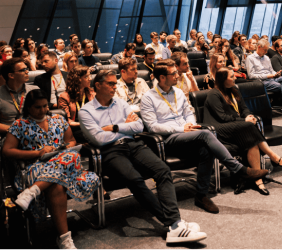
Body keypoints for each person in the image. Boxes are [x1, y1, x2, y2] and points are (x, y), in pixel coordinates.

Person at [79, 70, 207, 243]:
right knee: (135, 179)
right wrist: (126, 125)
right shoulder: (86, 112)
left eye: (115, 83)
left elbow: (139, 126)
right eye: (110, 84)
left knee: (162, 170)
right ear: (98, 85)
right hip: (109, 152)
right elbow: (99, 139)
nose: (114, 87)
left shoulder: (120, 102)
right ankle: (174, 223)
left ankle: (174, 224)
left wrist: (116, 127)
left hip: (133, 144)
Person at [141, 61, 269, 211]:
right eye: (173, 73)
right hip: (167, 139)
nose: (177, 75)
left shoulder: (178, 92)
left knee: (206, 150)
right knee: (206, 134)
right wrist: (181, 129)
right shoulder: (148, 98)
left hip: (188, 134)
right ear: (162, 77)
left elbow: (189, 113)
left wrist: (190, 124)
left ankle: (201, 196)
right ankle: (239, 169)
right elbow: (152, 126)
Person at [2, 89, 100, 249]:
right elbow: (7, 150)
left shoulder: (58, 119)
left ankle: (32, 192)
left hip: (63, 164)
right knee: (61, 176)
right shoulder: (19, 124)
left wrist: (61, 149)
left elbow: (71, 141)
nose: (42, 110)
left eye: (45, 106)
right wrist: (38, 152)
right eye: (37, 107)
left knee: (70, 157)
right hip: (35, 167)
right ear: (28, 108)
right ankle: (64, 240)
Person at [205, 67, 282, 195]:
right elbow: (222, 117)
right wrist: (243, 121)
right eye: (231, 76)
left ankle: (258, 180)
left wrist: (247, 116)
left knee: (251, 139)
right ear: (223, 79)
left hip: (236, 127)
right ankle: (274, 157)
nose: (235, 78)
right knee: (249, 127)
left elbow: (245, 109)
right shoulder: (213, 94)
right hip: (219, 129)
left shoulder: (234, 90)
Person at [0, 58, 39, 134]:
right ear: (11, 75)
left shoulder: (35, 90)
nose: (27, 71)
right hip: (9, 134)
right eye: (23, 70)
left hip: (35, 132)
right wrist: (21, 130)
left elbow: (43, 117)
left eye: (27, 69)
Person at [246, 39, 282, 105]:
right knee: (280, 86)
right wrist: (268, 76)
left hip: (271, 78)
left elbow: (271, 70)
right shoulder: (250, 58)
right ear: (259, 47)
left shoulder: (266, 58)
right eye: (265, 50)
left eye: (267, 50)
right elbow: (251, 75)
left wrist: (276, 73)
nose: (266, 52)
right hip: (261, 81)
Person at [58, 66, 94, 142]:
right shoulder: (64, 97)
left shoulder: (92, 94)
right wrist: (83, 124)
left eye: (90, 75)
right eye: (86, 76)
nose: (90, 78)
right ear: (78, 79)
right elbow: (67, 121)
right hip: (76, 129)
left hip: (92, 126)